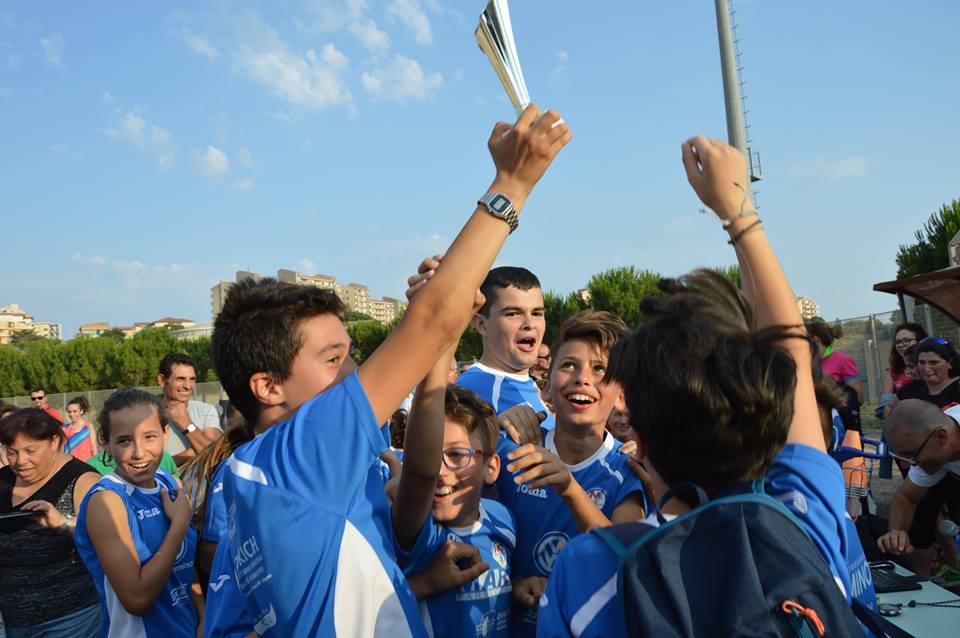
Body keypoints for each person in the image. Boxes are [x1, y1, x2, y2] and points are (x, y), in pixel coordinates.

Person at [208, 105, 571, 637]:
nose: (354, 372)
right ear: (268, 386)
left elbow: (420, 472)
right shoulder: (294, 459)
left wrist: (438, 346)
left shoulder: (276, 475)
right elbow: (431, 319)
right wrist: (511, 184)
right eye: (333, 359)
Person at [539, 137, 861, 637]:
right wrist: (740, 213)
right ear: (770, 415)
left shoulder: (592, 564)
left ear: (641, 443)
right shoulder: (804, 514)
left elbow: (788, 354)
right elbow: (791, 351)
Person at [496, 310, 647, 636]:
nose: (582, 379)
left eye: (600, 369)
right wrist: (491, 426)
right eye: (568, 366)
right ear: (547, 383)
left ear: (621, 393)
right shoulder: (513, 449)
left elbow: (622, 560)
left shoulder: (628, 470)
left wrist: (569, 488)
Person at [73, 389, 199, 637]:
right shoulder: (107, 501)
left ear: (165, 434)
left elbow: (185, 566)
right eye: (124, 441)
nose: (139, 452)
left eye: (149, 437)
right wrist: (178, 527)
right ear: (105, 442)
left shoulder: (170, 482)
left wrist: (203, 616)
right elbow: (137, 600)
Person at [0, 408, 101, 637]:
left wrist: (64, 524)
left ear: (54, 442)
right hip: (12, 621)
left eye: (30, 451)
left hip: (72, 620)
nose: (20, 461)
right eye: (12, 452)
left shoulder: (84, 480)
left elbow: (108, 540)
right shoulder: (4, 478)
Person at [451, 266, 555, 434]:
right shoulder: (469, 393)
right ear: (481, 324)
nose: (530, 324)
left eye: (537, 313)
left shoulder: (529, 385)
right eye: (513, 314)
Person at [878, 399, 960, 578]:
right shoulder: (936, 440)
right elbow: (906, 497)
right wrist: (896, 531)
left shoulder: (934, 439)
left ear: (941, 437)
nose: (907, 465)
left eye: (911, 454)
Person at [157, 353, 222, 466]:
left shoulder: (206, 411)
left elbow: (214, 455)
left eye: (192, 379)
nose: (188, 386)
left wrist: (186, 423)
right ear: (162, 380)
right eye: (180, 379)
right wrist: (194, 451)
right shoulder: (149, 415)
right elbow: (148, 466)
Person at [881, 322, 927, 397]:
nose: (900, 345)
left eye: (906, 340)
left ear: (920, 341)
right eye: (897, 342)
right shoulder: (893, 372)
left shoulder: (930, 367)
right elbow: (885, 401)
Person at [64, 396, 97, 462]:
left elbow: (94, 449)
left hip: (86, 464)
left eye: (75, 411)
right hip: (71, 464)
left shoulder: (89, 427)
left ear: (81, 411)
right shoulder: (65, 428)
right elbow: (63, 451)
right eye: (69, 412)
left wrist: (96, 464)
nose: (72, 414)